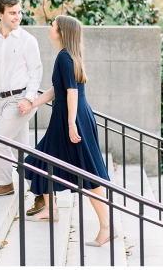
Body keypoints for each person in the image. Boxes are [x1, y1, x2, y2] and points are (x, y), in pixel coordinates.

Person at [21, 15, 116, 247]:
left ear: (62, 31)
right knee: (39, 160)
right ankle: (50, 209)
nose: (49, 28)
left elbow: (72, 92)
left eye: (52, 25)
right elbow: (57, 90)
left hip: (71, 118)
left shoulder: (65, 57)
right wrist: (31, 102)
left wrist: (72, 123)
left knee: (86, 172)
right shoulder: (66, 56)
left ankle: (107, 226)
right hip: (66, 117)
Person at [0, 0, 46, 216]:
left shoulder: (27, 40)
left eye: (19, 12)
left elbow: (35, 71)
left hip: (22, 100)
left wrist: (29, 99)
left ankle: (4, 183)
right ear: (0, 14)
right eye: (12, 13)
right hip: (3, 99)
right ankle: (41, 193)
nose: (17, 16)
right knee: (22, 150)